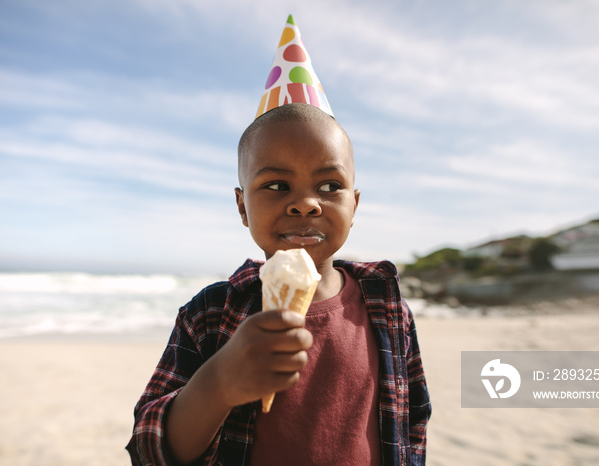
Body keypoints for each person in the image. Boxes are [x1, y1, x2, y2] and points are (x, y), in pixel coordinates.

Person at [127, 15, 430, 466]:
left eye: (330, 186)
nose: (306, 204)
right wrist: (220, 383)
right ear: (242, 206)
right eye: (276, 185)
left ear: (356, 204)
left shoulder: (388, 310)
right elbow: (151, 448)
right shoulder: (209, 314)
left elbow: (413, 423)